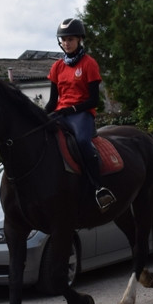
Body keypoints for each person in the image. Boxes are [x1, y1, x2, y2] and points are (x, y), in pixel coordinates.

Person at [44, 18, 116, 212]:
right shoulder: (57, 67)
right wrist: (38, 116)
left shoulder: (89, 64)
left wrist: (72, 110)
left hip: (82, 114)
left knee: (83, 141)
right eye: (63, 40)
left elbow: (94, 100)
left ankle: (99, 187)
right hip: (61, 113)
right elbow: (52, 102)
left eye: (70, 39)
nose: (66, 43)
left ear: (79, 40)